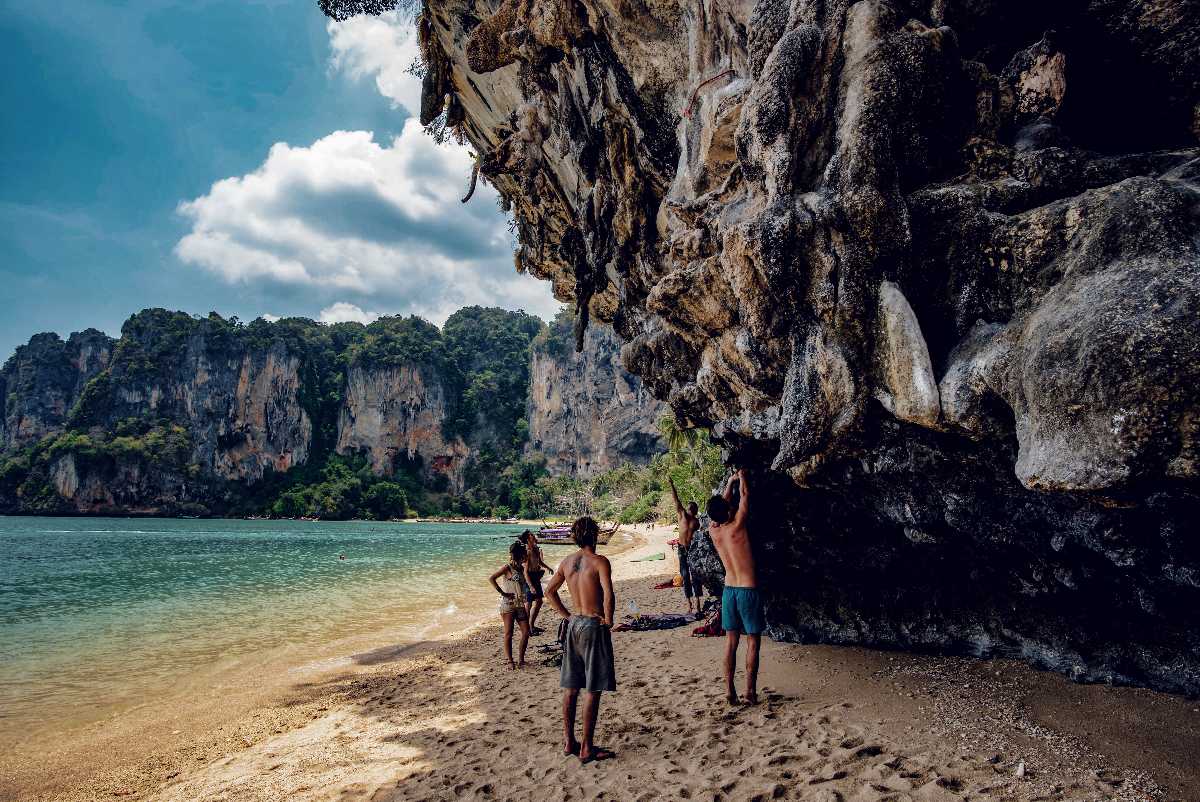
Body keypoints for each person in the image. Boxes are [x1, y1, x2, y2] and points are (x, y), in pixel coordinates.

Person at [545, 516, 617, 764]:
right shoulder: (600, 562)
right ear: (595, 535)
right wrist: (608, 620)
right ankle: (586, 747)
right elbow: (608, 595)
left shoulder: (567, 562)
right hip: (591, 625)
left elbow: (549, 592)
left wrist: (567, 616)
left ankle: (569, 742)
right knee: (593, 688)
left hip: (574, 623)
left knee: (571, 687)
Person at [707, 468, 761, 705]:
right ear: (728, 510)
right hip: (748, 589)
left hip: (728, 590)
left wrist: (730, 482)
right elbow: (746, 496)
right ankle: (750, 691)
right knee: (752, 640)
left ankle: (729, 690)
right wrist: (743, 478)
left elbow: (721, 506)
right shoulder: (738, 523)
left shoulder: (714, 531)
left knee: (731, 641)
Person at [489, 541, 532, 669]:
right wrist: (503, 593)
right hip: (508, 605)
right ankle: (510, 661)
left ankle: (521, 660)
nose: (526, 555)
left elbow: (522, 586)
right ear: (519, 555)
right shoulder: (507, 568)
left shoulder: (522, 568)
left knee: (526, 632)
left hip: (519, 605)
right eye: (524, 553)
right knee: (509, 633)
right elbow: (491, 578)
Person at [668, 477, 704, 615]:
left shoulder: (696, 522)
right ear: (689, 509)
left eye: (694, 509)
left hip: (692, 550)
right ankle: (689, 604)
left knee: (695, 576)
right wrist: (672, 484)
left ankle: (698, 604)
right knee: (685, 575)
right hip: (682, 549)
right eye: (691, 508)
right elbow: (676, 499)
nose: (693, 510)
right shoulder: (682, 515)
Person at [521, 530, 553, 634]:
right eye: (531, 535)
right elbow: (525, 572)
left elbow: (539, 562)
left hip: (535, 577)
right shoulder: (527, 551)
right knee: (528, 604)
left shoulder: (535, 549)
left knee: (539, 601)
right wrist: (530, 586)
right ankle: (526, 629)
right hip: (528, 578)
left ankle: (531, 625)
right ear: (527, 539)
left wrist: (548, 568)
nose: (534, 536)